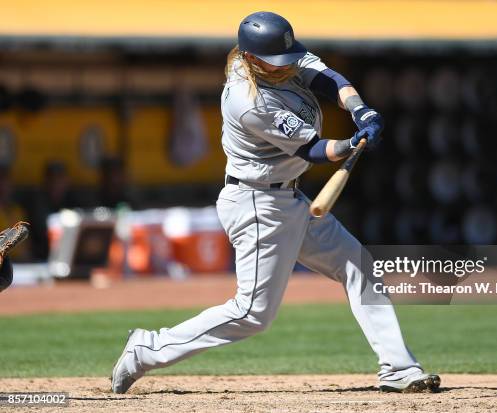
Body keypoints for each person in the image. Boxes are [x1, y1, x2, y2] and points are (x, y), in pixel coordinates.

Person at [111, 11, 440, 394]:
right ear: (251, 58)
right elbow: (314, 149)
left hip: (290, 197)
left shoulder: (275, 56)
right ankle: (145, 350)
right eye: (276, 61)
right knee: (252, 314)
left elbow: (327, 78)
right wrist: (352, 144)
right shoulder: (248, 100)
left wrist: (359, 110)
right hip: (257, 204)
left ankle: (399, 369)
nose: (287, 65)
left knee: (360, 268)